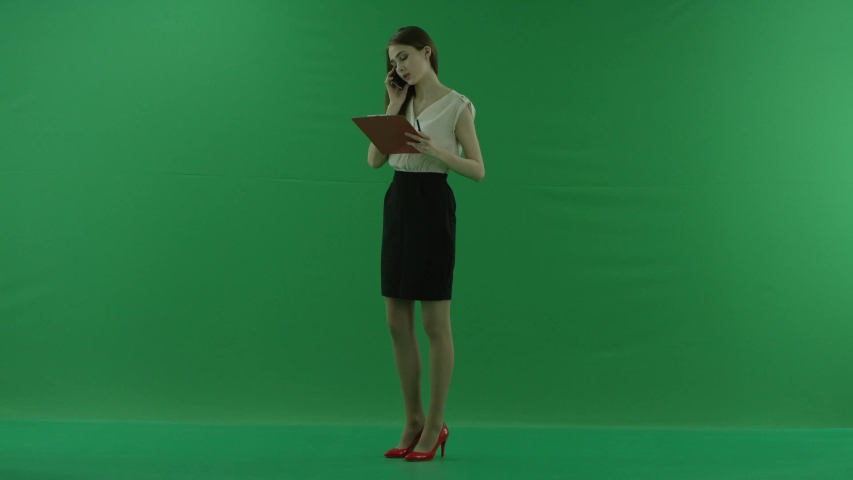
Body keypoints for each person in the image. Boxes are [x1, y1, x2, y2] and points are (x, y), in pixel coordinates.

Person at [366, 26, 484, 462]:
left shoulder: (457, 105)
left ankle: (436, 424)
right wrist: (395, 106)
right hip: (398, 202)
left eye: (404, 58)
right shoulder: (401, 100)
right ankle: (412, 418)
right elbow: (375, 160)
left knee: (435, 324)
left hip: (433, 203)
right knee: (396, 320)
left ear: (426, 53)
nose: (399, 67)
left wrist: (438, 153)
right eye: (393, 62)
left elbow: (478, 169)